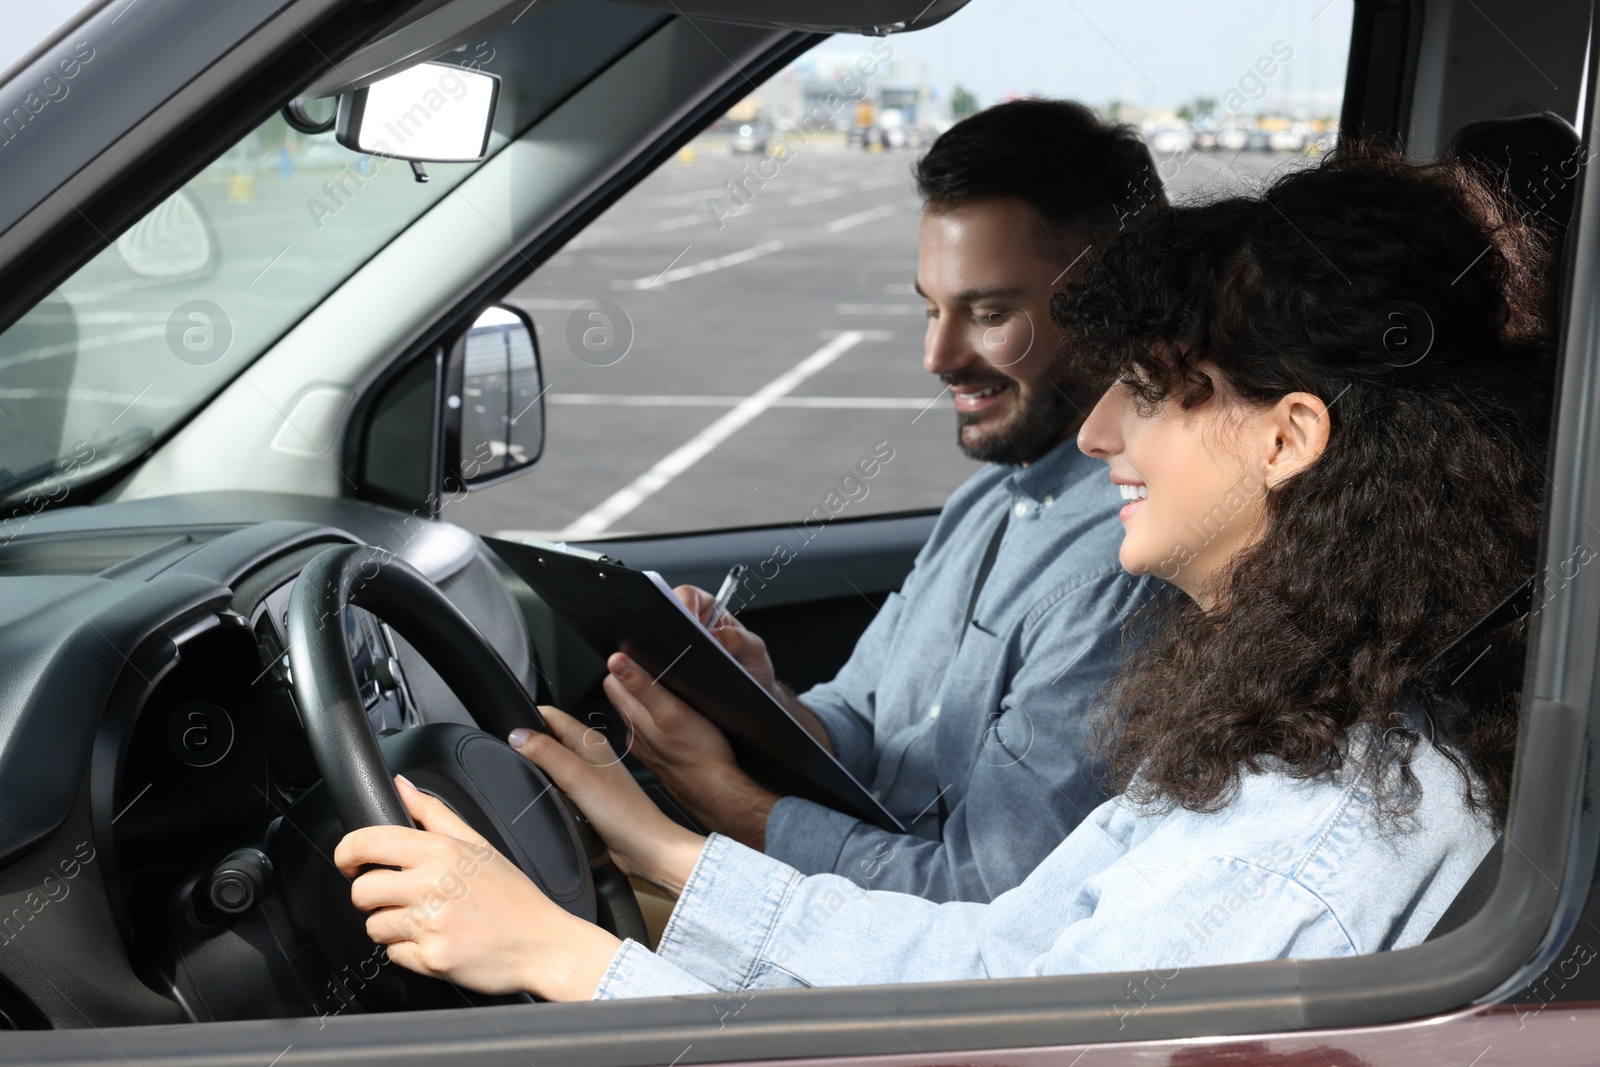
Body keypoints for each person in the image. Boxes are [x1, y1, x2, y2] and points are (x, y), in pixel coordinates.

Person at [335, 142, 1550, 999]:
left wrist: (561, 957)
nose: (1095, 437)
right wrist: (654, 849)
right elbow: (996, 961)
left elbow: (1002, 1037)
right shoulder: (1297, 726)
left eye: (1147, 391)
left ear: (1288, 437)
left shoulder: (1309, 833)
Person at [595, 99, 1168, 905]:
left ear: (1117, 308)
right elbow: (865, 728)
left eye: (990, 313)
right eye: (931, 309)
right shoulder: (985, 504)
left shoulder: (1129, 564)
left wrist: (720, 802)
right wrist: (760, 700)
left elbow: (978, 899)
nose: (937, 355)